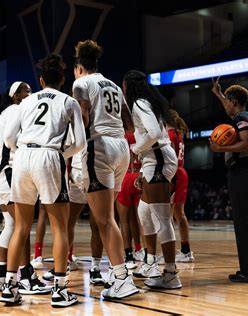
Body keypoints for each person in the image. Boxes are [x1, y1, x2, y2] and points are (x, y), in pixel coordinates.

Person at [1, 54, 86, 307]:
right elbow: (79, 143)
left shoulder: (26, 102)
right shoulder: (69, 101)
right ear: (63, 79)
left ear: (40, 80)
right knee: (59, 226)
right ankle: (59, 291)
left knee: (20, 227)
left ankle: (10, 287)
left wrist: (21, 151)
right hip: (49, 156)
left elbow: (8, 138)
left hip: (22, 158)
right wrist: (60, 154)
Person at [72, 40, 138, 299]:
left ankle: (122, 277)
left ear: (79, 67)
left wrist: (74, 148)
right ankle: (117, 272)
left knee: (105, 219)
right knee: (106, 217)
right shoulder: (112, 84)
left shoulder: (81, 84)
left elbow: (83, 117)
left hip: (99, 146)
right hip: (121, 147)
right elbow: (128, 122)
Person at [0, 81, 51, 297]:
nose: (30, 93)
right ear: (16, 96)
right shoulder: (16, 109)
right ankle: (26, 277)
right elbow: (8, 139)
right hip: (6, 171)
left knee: (11, 225)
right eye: (26, 90)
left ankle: (0, 273)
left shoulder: (7, 112)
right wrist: (20, 150)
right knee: (22, 225)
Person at [123, 70, 181, 289]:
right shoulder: (147, 102)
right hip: (153, 161)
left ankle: (171, 273)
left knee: (162, 218)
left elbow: (155, 133)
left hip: (158, 160)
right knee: (144, 213)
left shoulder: (138, 103)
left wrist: (135, 149)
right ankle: (150, 264)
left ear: (128, 86)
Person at [210, 76, 248, 283]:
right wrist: (218, 94)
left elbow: (247, 144)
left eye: (227, 101)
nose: (225, 106)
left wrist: (219, 148)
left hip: (244, 171)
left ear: (233, 102)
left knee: (243, 225)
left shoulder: (240, 119)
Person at [167, 110, 194, 263]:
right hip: (181, 172)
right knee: (179, 213)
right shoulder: (178, 134)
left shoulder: (170, 134)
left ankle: (170, 251)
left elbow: (169, 157)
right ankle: (185, 250)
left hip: (174, 173)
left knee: (168, 214)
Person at [116, 132, 143, 270]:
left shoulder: (121, 135)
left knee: (124, 220)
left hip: (125, 175)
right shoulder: (141, 133)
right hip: (140, 174)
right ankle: (144, 253)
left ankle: (129, 255)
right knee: (141, 219)